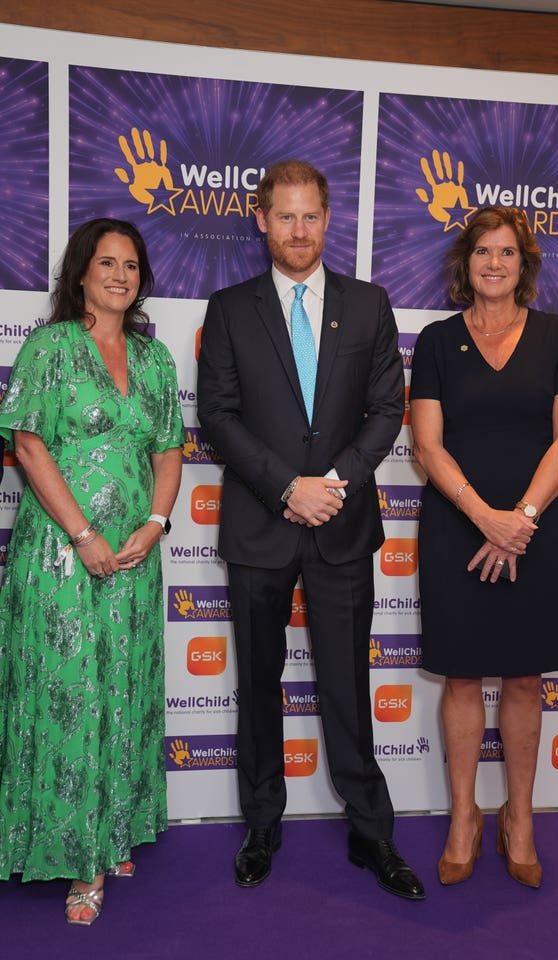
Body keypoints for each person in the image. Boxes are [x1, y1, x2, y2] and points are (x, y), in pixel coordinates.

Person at [197, 159, 424, 900]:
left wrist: (331, 486)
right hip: (261, 527)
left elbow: (388, 408)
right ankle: (263, 823)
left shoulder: (368, 304)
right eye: (284, 216)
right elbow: (218, 415)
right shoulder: (229, 308)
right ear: (260, 219)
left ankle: (372, 832)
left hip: (341, 525)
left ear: (328, 220)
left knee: (346, 688)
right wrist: (284, 487)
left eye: (311, 217)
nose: (299, 231)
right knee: (258, 684)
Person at [0, 218, 183, 924]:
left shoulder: (155, 360)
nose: (119, 275)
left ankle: (112, 832)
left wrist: (154, 525)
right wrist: (82, 534)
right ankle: (78, 860)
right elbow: (28, 444)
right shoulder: (49, 349)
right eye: (106, 263)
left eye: (130, 265)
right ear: (80, 273)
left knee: (123, 694)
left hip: (135, 560)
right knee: (69, 697)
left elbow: (169, 452)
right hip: (60, 559)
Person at [409, 206, 558, 889]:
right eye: (483, 251)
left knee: (521, 678)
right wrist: (488, 518)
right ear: (466, 263)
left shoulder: (557, 336)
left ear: (524, 264)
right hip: (460, 524)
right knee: (460, 676)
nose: (494, 263)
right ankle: (464, 818)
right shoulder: (435, 342)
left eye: (507, 252)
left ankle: (522, 819)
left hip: (536, 529)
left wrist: (522, 520)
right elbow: (427, 444)